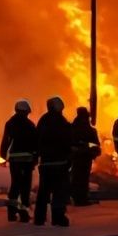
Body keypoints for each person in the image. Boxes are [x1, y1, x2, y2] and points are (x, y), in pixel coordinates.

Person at [33, 96, 72, 227]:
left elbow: (36, 140)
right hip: (59, 163)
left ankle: (39, 217)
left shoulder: (43, 120)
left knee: (44, 191)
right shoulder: (61, 122)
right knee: (59, 190)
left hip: (45, 163)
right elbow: (68, 140)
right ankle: (58, 217)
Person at [0, 99, 37, 222]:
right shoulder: (30, 125)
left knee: (15, 185)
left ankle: (11, 213)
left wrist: (3, 155)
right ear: (27, 111)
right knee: (25, 188)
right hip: (27, 160)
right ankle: (23, 213)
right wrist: (35, 158)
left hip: (15, 160)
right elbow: (35, 144)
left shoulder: (10, 123)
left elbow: (6, 140)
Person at [70, 106, 101, 206]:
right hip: (85, 157)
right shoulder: (90, 130)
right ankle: (82, 199)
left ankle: (76, 197)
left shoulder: (72, 127)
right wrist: (92, 152)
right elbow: (96, 144)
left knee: (77, 177)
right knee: (83, 178)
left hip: (77, 157)